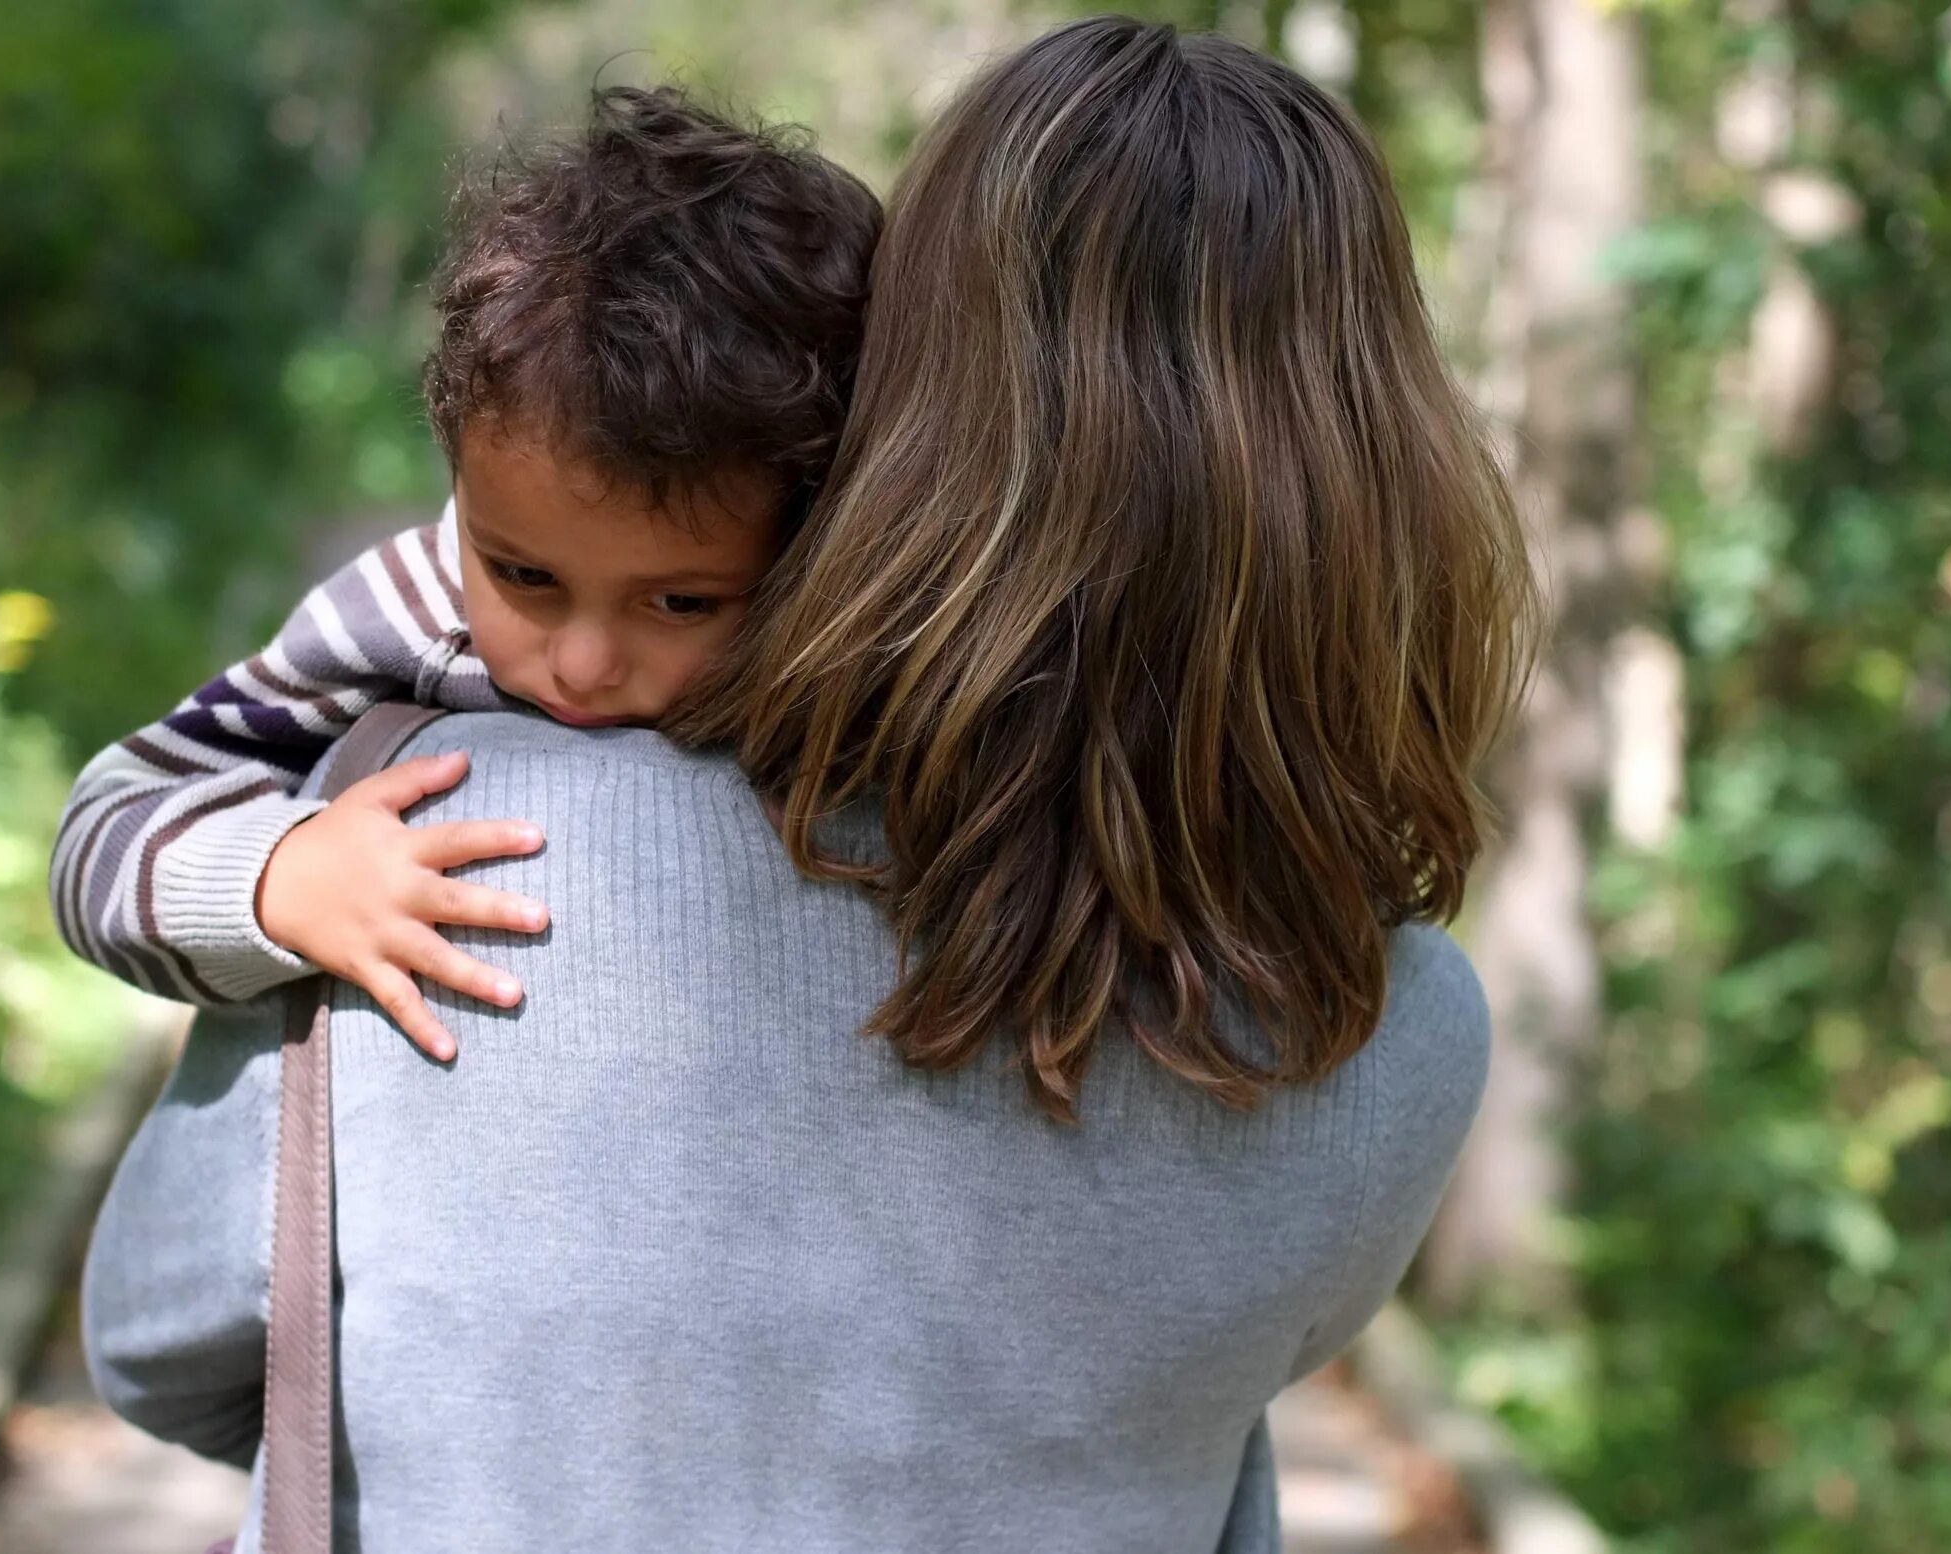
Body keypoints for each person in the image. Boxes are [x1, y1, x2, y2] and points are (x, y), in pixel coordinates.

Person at [81, 16, 1535, 1553]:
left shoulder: (435, 839)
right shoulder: (1376, 1018)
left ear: (885, 406)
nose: (586, 657)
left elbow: (161, 1342)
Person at [49, 84, 881, 1058]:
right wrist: (281, 879)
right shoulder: (409, 606)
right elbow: (102, 831)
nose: (581, 661)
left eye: (680, 601)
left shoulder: (847, 637)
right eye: (525, 577)